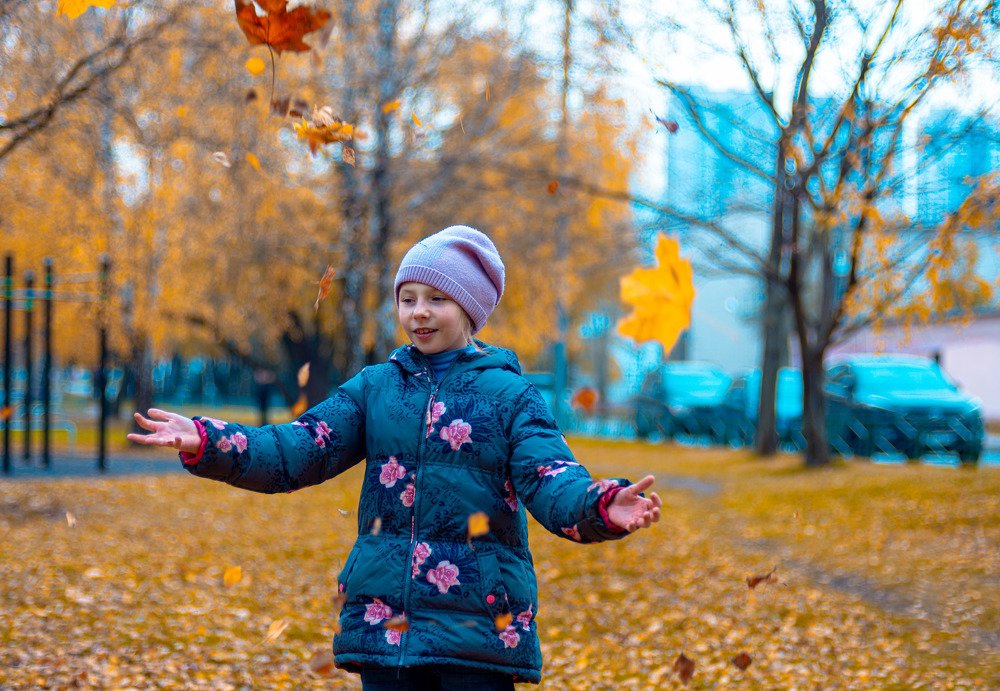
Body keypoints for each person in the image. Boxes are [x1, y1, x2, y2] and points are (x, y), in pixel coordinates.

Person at [128, 225, 661, 689]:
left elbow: (551, 478)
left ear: (469, 309)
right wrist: (208, 439)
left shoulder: (511, 397)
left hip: (478, 627)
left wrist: (599, 504)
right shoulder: (376, 388)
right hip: (386, 623)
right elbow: (298, 449)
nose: (419, 312)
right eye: (408, 298)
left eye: (436, 298)